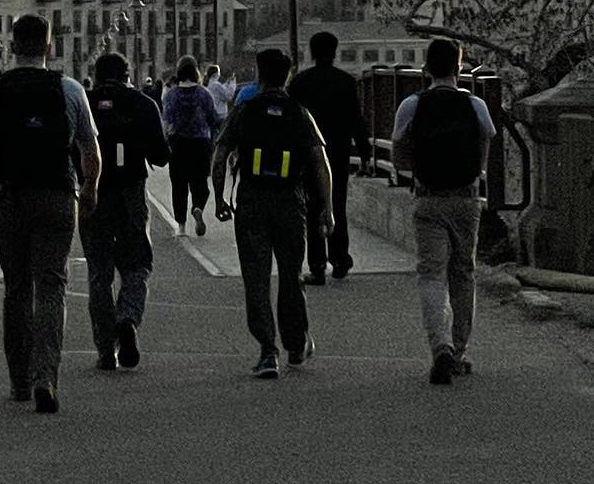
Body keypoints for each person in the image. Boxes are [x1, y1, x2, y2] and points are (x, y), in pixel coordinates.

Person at [0, 14, 101, 415]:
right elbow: (91, 151)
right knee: (53, 285)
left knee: (17, 289)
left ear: (11, 47)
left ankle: (20, 381)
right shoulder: (70, 89)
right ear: (48, 48)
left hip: (10, 197)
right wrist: (89, 192)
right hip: (58, 196)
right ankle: (47, 377)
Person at [211, 48, 332, 380]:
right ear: (288, 75)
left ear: (259, 75)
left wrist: (220, 198)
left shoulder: (245, 111)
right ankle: (295, 343)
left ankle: (267, 351)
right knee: (292, 275)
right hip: (290, 201)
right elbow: (321, 163)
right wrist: (328, 209)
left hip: (251, 201)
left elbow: (220, 155)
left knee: (257, 279)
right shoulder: (299, 113)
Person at [391, 38, 496, 385]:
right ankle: (460, 351)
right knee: (463, 272)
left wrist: (417, 172)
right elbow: (485, 152)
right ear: (459, 67)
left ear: (425, 69)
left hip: (428, 198)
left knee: (431, 274)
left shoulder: (412, 105)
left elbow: (399, 153)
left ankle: (441, 346)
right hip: (466, 199)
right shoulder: (476, 106)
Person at [81, 52, 169, 372]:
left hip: (93, 192)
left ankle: (106, 350)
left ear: (97, 73)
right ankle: (128, 316)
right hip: (131, 192)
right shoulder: (144, 104)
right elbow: (160, 157)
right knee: (137, 263)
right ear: (127, 74)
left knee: (99, 273)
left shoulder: (84, 102)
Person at [289, 31, 372, 282]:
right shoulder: (346, 82)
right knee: (337, 204)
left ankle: (316, 266)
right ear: (334, 52)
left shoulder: (300, 82)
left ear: (312, 53)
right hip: (338, 153)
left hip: (308, 154)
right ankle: (340, 258)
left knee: (313, 207)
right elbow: (356, 119)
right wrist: (365, 152)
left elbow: (293, 122)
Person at [162, 54, 220, 235]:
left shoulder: (171, 95)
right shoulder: (204, 94)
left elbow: (167, 122)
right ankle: (198, 208)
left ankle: (181, 227)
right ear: (196, 72)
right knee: (200, 182)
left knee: (178, 185)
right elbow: (214, 120)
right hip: (201, 144)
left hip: (178, 144)